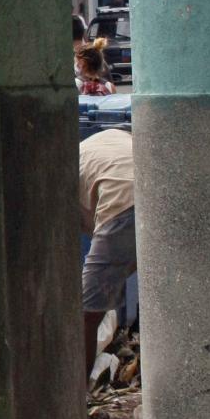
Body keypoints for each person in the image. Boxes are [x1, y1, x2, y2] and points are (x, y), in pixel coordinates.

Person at [79, 128, 136, 375]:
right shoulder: (117, 138)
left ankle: (77, 399)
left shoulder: (63, 163)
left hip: (122, 202)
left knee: (86, 315)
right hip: (163, 190)